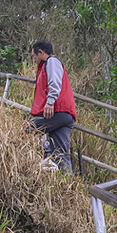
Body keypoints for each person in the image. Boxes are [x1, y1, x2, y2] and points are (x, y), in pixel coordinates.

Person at [28, 40, 76, 174]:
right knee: (60, 153)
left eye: (34, 56)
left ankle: (28, 165)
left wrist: (50, 102)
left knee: (28, 130)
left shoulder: (51, 62)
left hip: (57, 111)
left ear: (41, 52)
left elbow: (54, 82)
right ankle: (69, 188)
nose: (34, 60)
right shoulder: (49, 64)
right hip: (66, 114)